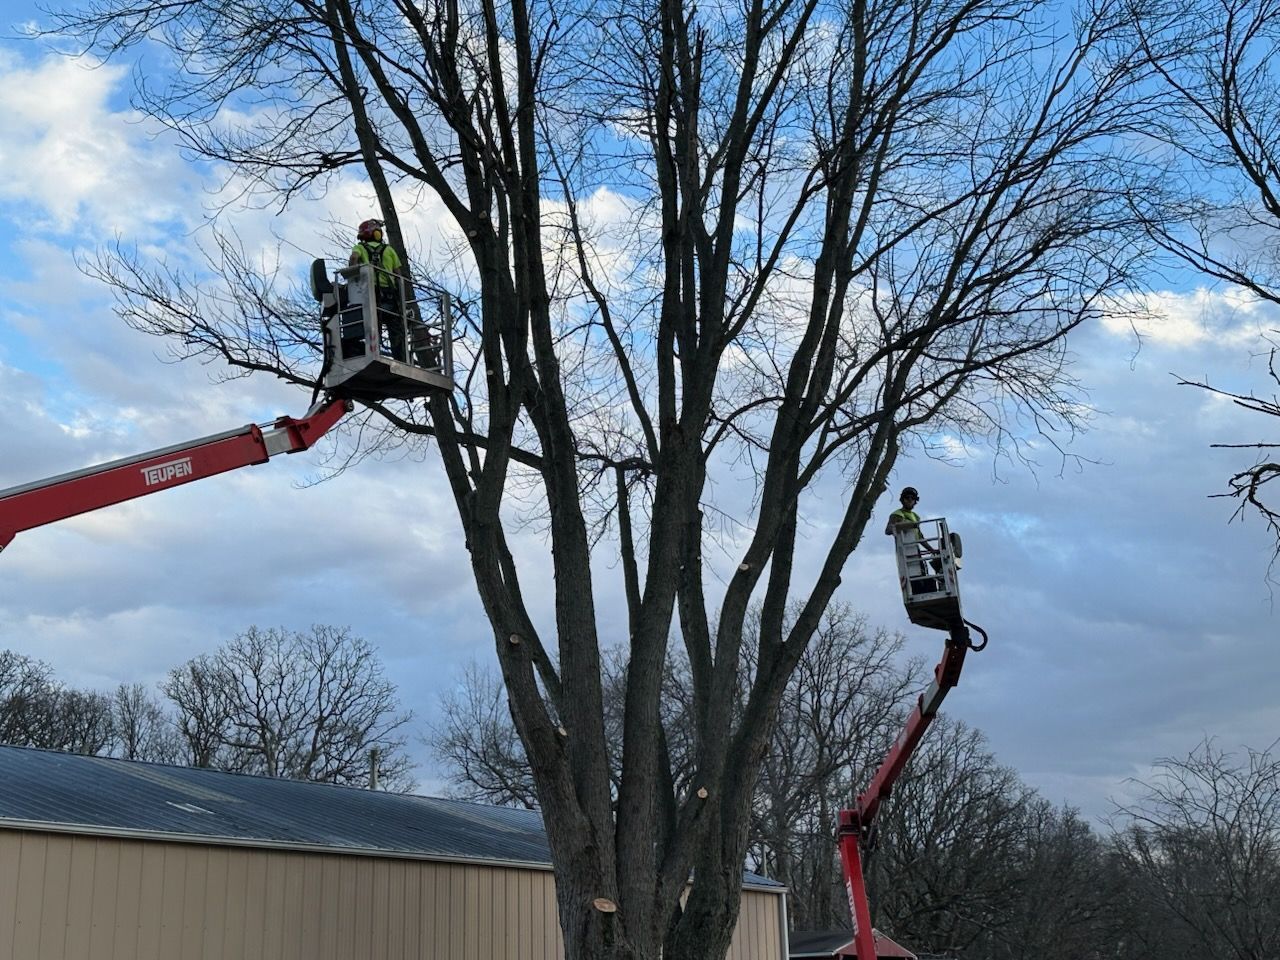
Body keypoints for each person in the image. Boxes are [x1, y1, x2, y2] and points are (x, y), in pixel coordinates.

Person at [349, 218, 407, 360]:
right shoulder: (389, 250)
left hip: (370, 293)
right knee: (396, 330)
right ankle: (401, 360)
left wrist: (354, 275)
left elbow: (353, 260)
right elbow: (398, 274)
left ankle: (373, 355)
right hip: (390, 295)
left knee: (373, 326)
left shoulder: (360, 248)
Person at [885, 486, 939, 592]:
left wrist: (932, 550)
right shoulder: (897, 514)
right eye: (907, 497)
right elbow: (888, 530)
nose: (909, 500)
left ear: (915, 501)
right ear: (902, 499)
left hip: (916, 550)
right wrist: (901, 525)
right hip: (905, 551)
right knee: (913, 579)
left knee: (924, 575)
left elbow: (920, 537)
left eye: (912, 498)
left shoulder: (915, 517)